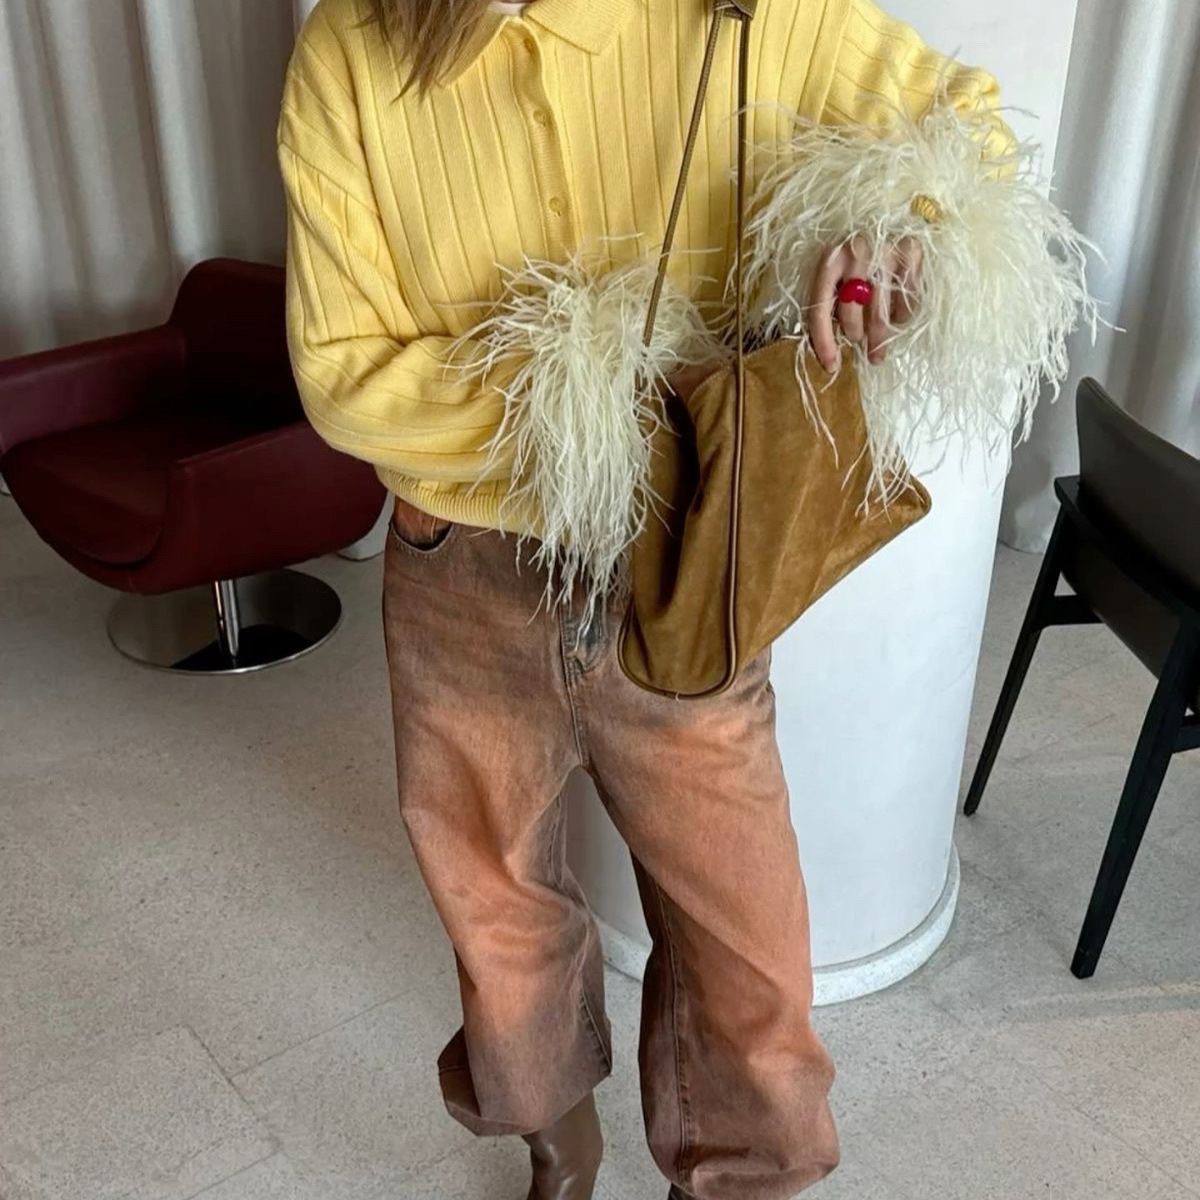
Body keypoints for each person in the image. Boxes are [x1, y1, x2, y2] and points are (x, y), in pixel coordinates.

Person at [276, 1, 1015, 1196]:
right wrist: (599, 406)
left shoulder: (749, 11)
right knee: (493, 900)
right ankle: (554, 1134)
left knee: (746, 950)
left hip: (688, 565)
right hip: (460, 572)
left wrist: (895, 222)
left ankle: (741, 1176)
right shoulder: (352, 49)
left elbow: (963, 128)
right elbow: (345, 373)